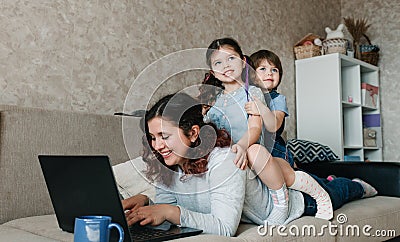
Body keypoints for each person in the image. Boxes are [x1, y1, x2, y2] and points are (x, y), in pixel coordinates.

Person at [122, 92, 377, 235]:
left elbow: (224, 228)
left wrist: (169, 212)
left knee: (341, 190)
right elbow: (170, 216)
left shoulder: (223, 161)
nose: (157, 146)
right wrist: (149, 205)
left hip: (296, 204)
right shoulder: (167, 165)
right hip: (265, 204)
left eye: (164, 136)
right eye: (153, 138)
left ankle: (355, 185)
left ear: (193, 133)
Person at [200, 38, 334, 221]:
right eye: (218, 62)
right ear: (212, 72)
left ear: (243, 62)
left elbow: (256, 127)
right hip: (230, 158)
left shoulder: (252, 92)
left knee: (256, 152)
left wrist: (241, 145)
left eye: (231, 58)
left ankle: (284, 202)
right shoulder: (214, 102)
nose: (226, 65)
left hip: (254, 151)